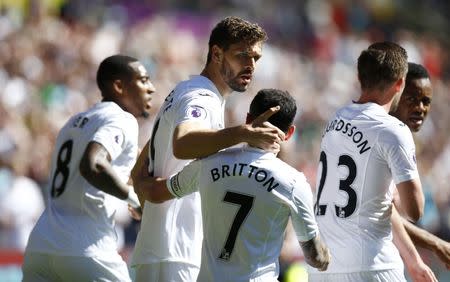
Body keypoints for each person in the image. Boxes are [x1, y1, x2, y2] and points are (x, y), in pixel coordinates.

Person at [131, 16, 285, 282]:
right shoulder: (201, 97)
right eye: (242, 55)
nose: (250, 65)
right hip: (179, 252)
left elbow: (139, 171)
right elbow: (183, 143)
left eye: (256, 58)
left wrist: (150, 202)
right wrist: (242, 133)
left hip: (158, 249)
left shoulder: (186, 91)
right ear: (216, 53)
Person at [135, 88, 330, 281]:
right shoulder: (293, 182)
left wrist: (139, 178)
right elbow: (315, 257)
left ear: (247, 119)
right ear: (289, 133)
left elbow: (157, 192)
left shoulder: (209, 163)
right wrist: (327, 258)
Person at [22, 55, 155, 282]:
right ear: (119, 86)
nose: (151, 88)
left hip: (41, 246)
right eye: (143, 80)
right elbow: (93, 164)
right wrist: (134, 199)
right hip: (86, 246)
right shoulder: (122, 119)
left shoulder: (74, 121)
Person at [308, 42, 425, 282]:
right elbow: (415, 211)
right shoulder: (393, 131)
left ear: (360, 77)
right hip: (373, 266)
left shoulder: (334, 120)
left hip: (324, 267)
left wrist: (413, 260)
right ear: (400, 83)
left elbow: (371, 201)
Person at [391, 62, 450, 271]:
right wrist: (434, 243)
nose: (420, 108)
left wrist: (414, 260)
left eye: (426, 101)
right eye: (412, 99)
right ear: (396, 93)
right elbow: (414, 211)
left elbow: (387, 213)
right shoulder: (394, 136)